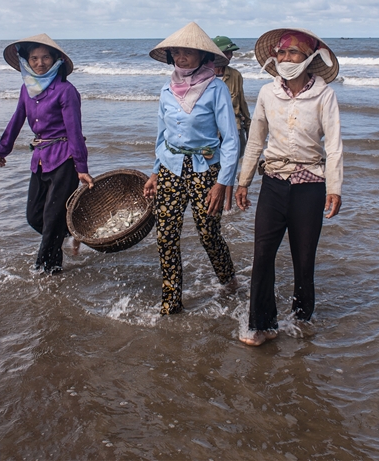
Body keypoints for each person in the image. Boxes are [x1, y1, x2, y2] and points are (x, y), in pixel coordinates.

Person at [235, 28, 343, 346]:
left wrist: (335, 188)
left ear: (308, 59)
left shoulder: (324, 95)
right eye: (281, 53)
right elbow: (256, 139)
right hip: (273, 183)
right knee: (263, 255)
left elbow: (334, 146)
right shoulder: (269, 94)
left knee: (303, 258)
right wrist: (244, 181)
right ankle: (262, 325)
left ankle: (301, 319)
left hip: (310, 186)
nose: (285, 59)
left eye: (293, 53)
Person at [142, 22, 240, 315]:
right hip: (171, 169)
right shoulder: (166, 90)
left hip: (206, 171)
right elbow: (162, 135)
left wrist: (223, 182)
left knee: (208, 232)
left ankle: (228, 279)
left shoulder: (216, 88)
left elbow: (231, 140)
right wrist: (156, 171)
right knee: (166, 235)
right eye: (177, 52)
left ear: (202, 56)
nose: (182, 57)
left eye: (188, 52)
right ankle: (171, 301)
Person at [0, 34, 94, 273]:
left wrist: (81, 168)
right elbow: (17, 119)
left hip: (64, 159)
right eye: (34, 58)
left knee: (50, 220)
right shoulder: (27, 90)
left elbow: (75, 131)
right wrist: (2, 148)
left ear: (56, 60)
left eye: (46, 57)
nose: (40, 63)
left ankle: (46, 271)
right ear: (27, 62)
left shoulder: (66, 91)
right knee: (34, 216)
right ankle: (74, 232)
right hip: (39, 159)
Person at [213, 35, 252, 211]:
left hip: (234, 126)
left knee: (231, 165)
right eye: (226, 52)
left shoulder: (235, 75)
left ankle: (227, 204)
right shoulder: (204, 75)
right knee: (213, 166)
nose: (229, 56)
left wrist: (249, 125)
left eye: (230, 53)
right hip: (211, 130)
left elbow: (242, 102)